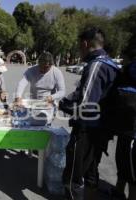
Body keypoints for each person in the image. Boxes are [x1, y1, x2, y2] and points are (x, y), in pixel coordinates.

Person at [59, 27, 121, 200]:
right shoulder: (111, 63)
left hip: (87, 130)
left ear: (85, 44)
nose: (80, 51)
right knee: (91, 171)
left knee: (73, 176)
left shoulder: (96, 65)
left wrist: (62, 105)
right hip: (102, 130)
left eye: (80, 47)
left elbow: (85, 104)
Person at [111, 34, 136, 200]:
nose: (122, 60)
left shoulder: (132, 69)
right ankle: (118, 192)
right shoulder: (127, 71)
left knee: (132, 169)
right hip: (124, 129)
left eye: (124, 58)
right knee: (122, 162)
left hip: (132, 130)